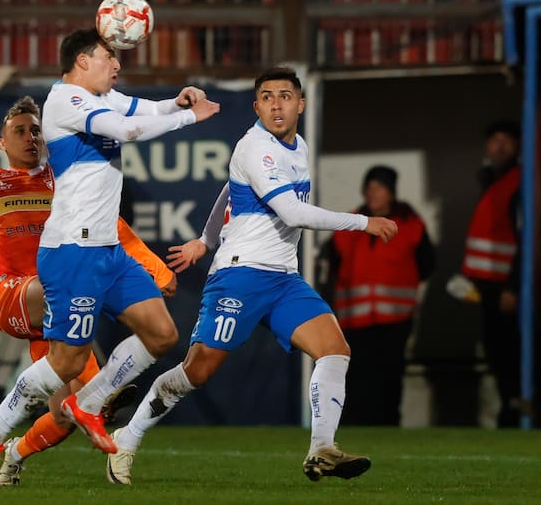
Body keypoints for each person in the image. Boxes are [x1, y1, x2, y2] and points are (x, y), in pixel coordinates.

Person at [105, 66, 398, 485]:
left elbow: (230, 189)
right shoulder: (255, 148)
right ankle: (127, 437)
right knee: (197, 371)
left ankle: (321, 449)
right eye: (267, 97)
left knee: (334, 349)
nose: (276, 105)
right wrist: (362, 222)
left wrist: (204, 240)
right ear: (256, 106)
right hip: (240, 275)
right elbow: (293, 213)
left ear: (301, 104)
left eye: (285, 96)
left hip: (283, 279)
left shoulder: (296, 146)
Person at [0, 28, 220, 485]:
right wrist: (188, 118)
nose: (117, 64)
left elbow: (141, 110)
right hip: (73, 252)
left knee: (161, 334)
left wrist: (176, 102)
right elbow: (127, 129)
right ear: (82, 61)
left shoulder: (102, 97)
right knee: (66, 361)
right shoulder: (64, 101)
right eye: (108, 57)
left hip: (108, 251)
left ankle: (89, 402)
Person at [0, 95, 177, 485]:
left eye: (36, 131)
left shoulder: (62, 180)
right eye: (20, 131)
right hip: (8, 292)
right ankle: (29, 416)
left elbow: (112, 229)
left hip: (53, 300)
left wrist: (155, 269)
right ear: (2, 142)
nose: (30, 137)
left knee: (67, 412)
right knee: (71, 289)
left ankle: (13, 453)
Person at [317, 165, 435, 426]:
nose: (372, 193)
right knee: (357, 382)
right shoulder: (349, 224)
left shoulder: (410, 225)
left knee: (389, 380)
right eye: (369, 187)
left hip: (395, 321)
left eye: (379, 187)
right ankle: (356, 429)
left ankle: (388, 428)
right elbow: (332, 267)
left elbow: (427, 264)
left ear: (391, 192)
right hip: (353, 321)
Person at [459, 121, 521, 428]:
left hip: (506, 287)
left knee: (509, 352)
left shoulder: (519, 183)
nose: (500, 146)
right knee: (497, 351)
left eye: (506, 140)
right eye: (494, 140)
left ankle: (515, 411)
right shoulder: (493, 181)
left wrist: (514, 287)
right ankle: (510, 408)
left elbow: (526, 239)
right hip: (489, 286)